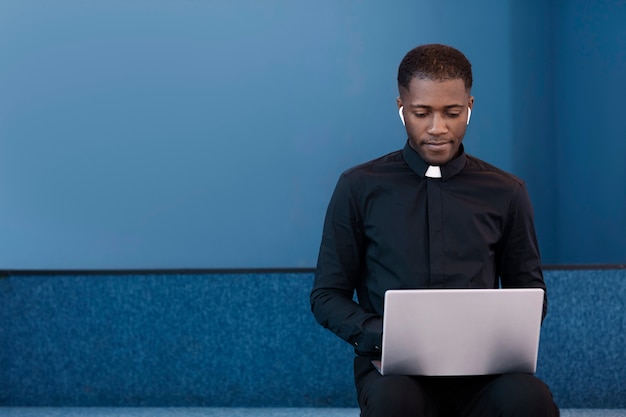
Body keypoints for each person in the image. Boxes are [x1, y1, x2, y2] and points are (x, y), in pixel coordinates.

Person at [310, 44, 560, 417]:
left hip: (484, 375)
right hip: (394, 373)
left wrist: (502, 334)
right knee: (394, 403)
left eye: (452, 113)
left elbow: (531, 291)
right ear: (401, 108)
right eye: (421, 113)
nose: (437, 128)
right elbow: (327, 295)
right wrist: (386, 339)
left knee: (531, 401)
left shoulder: (507, 192)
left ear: (470, 108)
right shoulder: (358, 187)